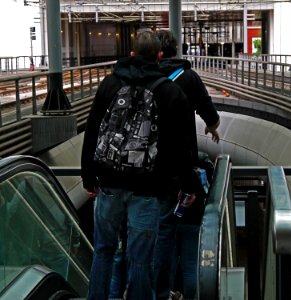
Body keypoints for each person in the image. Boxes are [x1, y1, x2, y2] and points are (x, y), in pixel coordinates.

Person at [81, 30, 197, 300]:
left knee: (104, 250)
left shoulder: (109, 84)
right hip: (148, 189)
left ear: (131, 54)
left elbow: (93, 130)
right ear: (159, 56)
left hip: (109, 183)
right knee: (141, 258)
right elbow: (181, 147)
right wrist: (187, 184)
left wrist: (89, 176)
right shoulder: (170, 92)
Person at [154, 29, 220, 300]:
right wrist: (211, 126)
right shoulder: (188, 77)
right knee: (192, 260)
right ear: (175, 49)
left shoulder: (148, 79)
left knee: (162, 246)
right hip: (184, 172)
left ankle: (163, 294)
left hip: (153, 175)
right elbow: (210, 113)